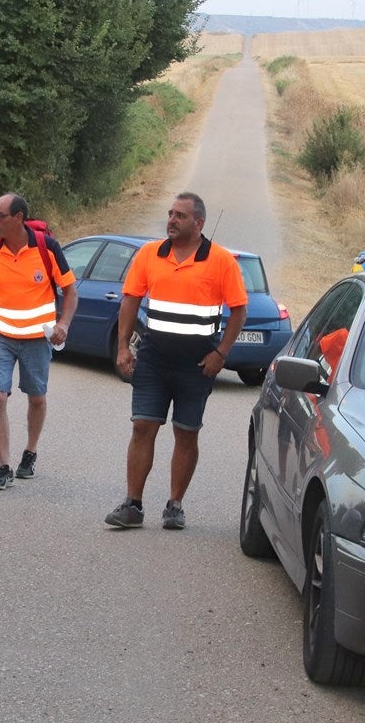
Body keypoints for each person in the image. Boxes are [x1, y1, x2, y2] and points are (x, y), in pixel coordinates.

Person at [104, 192, 247, 530]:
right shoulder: (149, 254)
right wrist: (124, 348)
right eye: (170, 213)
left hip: (198, 364)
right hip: (153, 358)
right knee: (142, 426)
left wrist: (220, 354)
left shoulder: (221, 260)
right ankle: (133, 505)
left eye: (180, 215)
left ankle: (174, 505)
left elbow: (239, 310)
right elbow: (130, 301)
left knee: (186, 433)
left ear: (198, 223)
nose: (171, 220)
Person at [0, 193, 78, 490]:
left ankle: (30, 451)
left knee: (36, 397)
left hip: (37, 338)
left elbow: (70, 291)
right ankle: (4, 466)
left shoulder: (46, 248)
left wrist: (62, 323)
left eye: (0, 216)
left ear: (19, 218)